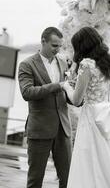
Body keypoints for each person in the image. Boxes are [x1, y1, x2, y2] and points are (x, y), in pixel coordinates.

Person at [62, 26, 110, 188]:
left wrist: (66, 86)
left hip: (92, 119)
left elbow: (76, 99)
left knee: (90, 161)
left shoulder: (86, 65)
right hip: (109, 116)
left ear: (82, 46)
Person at [18, 27, 72, 188]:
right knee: (35, 180)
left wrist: (77, 96)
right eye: (54, 46)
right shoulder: (27, 64)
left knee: (68, 178)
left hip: (63, 129)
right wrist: (57, 86)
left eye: (60, 46)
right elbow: (27, 93)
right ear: (43, 41)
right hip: (40, 129)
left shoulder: (63, 62)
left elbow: (65, 92)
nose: (58, 50)